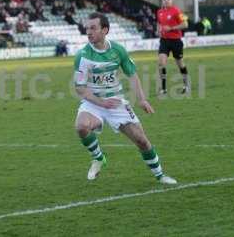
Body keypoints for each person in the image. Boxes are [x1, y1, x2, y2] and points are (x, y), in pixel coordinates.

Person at [74, 12, 177, 184]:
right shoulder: (83, 55)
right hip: (94, 102)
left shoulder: (118, 50)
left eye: (93, 28)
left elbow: (132, 74)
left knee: (142, 141)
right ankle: (98, 157)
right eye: (87, 28)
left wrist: (142, 99)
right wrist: (101, 103)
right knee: (81, 126)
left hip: (115, 103)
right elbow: (80, 89)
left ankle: (160, 175)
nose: (89, 32)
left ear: (105, 30)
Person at [156, 0, 189, 94]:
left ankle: (186, 85)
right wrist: (158, 30)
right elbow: (159, 23)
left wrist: (171, 28)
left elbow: (185, 24)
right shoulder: (159, 12)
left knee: (180, 64)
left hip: (176, 41)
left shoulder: (177, 11)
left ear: (172, 1)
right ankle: (164, 88)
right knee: (161, 63)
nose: (166, 1)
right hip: (164, 41)